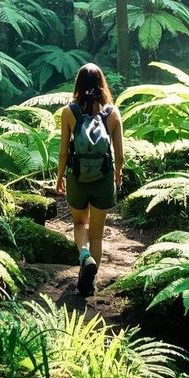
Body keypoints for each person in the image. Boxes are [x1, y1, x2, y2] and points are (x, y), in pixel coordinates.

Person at [55, 63, 124, 297]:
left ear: (78, 84)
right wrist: (117, 176)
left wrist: (59, 178)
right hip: (103, 179)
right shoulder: (112, 113)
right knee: (97, 232)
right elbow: (120, 155)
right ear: (102, 83)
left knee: (78, 224)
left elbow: (64, 151)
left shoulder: (69, 112)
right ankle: (90, 282)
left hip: (77, 178)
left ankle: (84, 257)